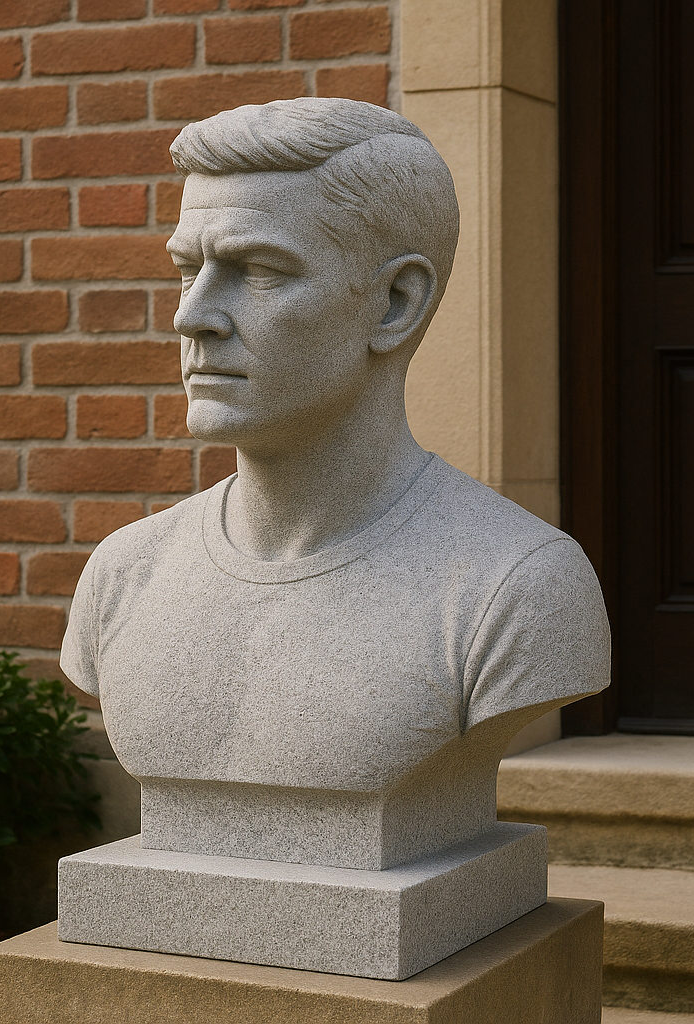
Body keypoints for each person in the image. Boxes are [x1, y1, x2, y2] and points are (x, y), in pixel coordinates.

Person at [60, 98, 609, 839]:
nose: (193, 316)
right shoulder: (124, 573)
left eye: (256, 270)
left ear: (395, 304)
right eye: (188, 270)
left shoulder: (517, 586)